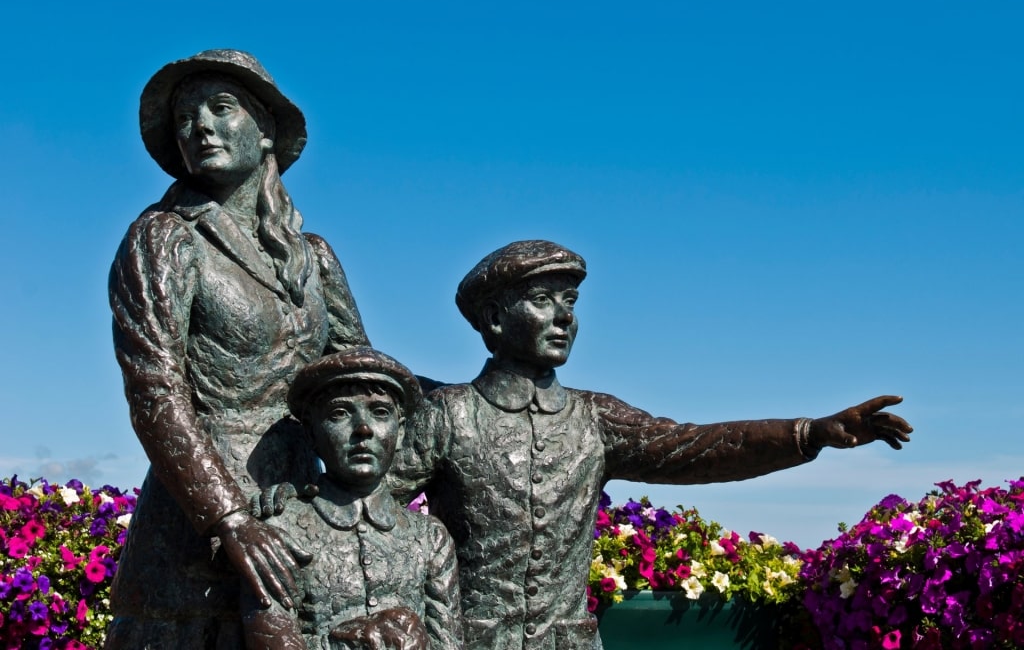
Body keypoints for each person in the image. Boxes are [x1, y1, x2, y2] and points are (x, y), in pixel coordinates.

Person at [390, 239, 913, 650]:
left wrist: (809, 433)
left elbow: (691, 448)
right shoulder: (448, 414)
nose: (564, 317)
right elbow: (379, 516)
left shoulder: (593, 417)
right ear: (495, 318)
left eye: (569, 302)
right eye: (542, 300)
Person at [107, 50, 369, 648]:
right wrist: (231, 519)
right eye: (185, 119)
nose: (199, 127)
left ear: (267, 130)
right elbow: (155, 393)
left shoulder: (315, 257)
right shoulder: (164, 237)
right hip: (194, 540)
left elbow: (361, 379)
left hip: (300, 517)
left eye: (220, 109)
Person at [243, 347, 462, 650]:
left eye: (380, 412)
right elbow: (269, 639)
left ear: (400, 434)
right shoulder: (280, 530)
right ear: (311, 435)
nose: (362, 429)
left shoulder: (430, 538)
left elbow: (449, 643)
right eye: (339, 414)